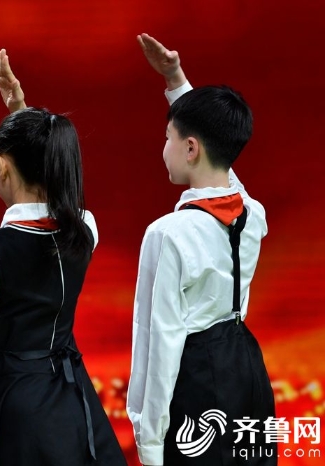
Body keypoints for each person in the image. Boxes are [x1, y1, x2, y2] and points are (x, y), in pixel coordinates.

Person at [0, 51, 126, 466]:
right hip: (73, 397)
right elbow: (49, 180)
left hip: (16, 408)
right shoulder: (85, 229)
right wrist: (21, 114)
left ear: (1, 167)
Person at [126, 34, 275, 465]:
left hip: (197, 381)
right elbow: (222, 165)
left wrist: (149, 443)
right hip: (248, 367)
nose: (164, 147)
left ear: (190, 148)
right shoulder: (252, 212)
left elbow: (158, 341)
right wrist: (176, 80)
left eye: (168, 137)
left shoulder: (167, 234)